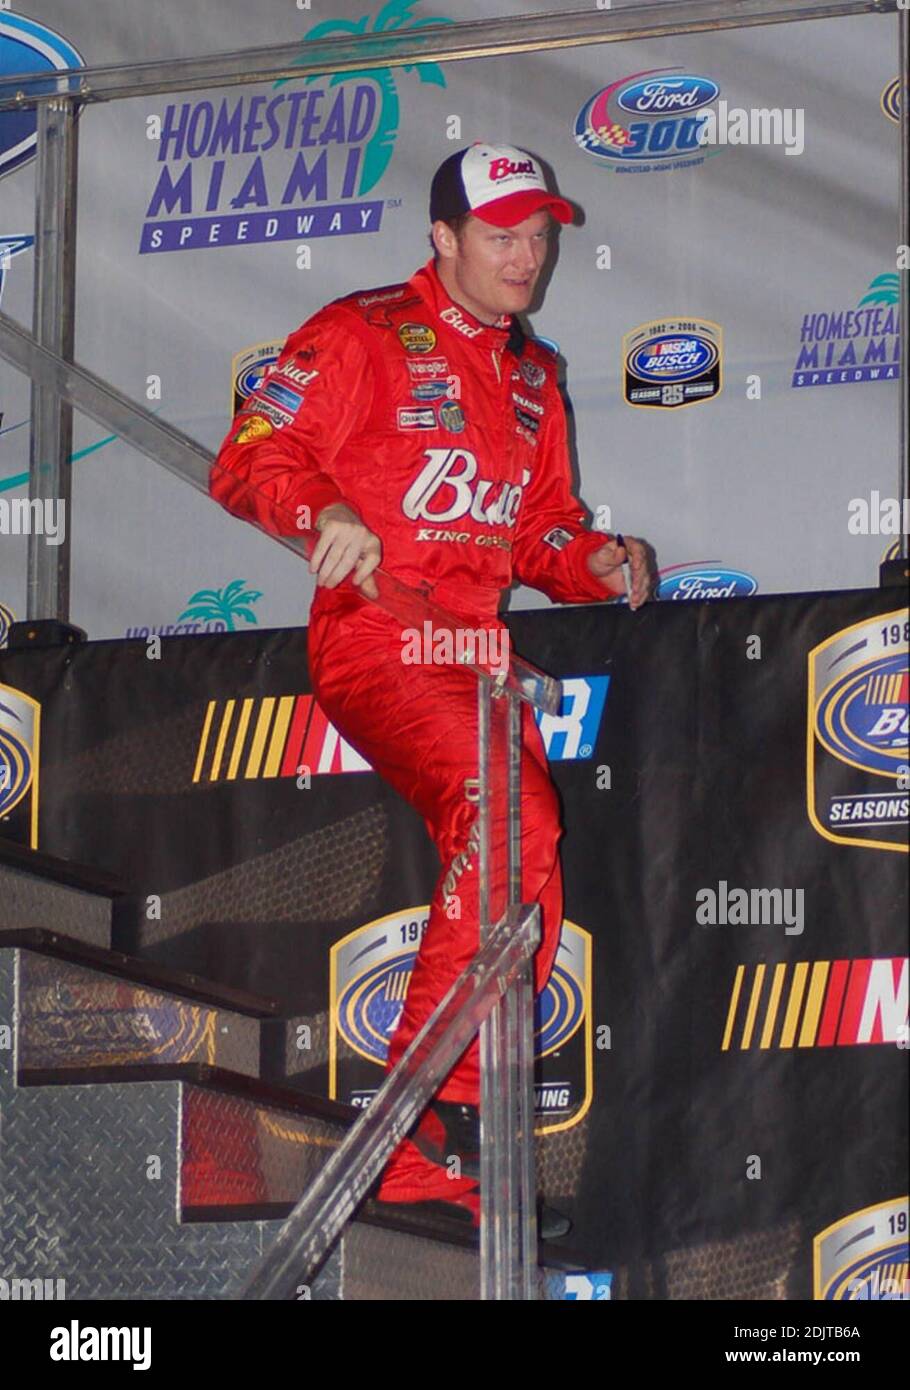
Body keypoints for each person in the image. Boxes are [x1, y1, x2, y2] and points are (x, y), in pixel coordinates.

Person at [210, 142, 650, 1229]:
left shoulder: (535, 375)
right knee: (511, 820)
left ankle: (437, 1123)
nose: (527, 255)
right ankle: (405, 1129)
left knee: (524, 877)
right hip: (378, 639)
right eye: (501, 234)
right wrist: (327, 513)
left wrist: (591, 560)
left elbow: (540, 527)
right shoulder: (359, 332)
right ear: (442, 239)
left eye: (539, 234)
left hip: (481, 658)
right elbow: (250, 453)